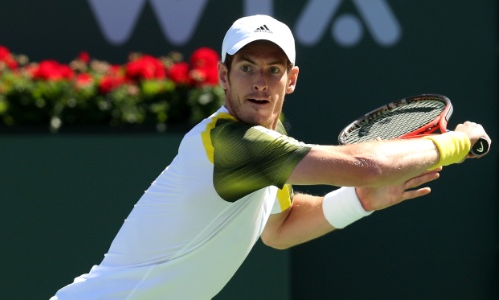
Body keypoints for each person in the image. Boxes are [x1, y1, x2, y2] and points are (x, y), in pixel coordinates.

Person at [51, 14, 490, 299]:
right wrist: (456, 143)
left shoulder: (268, 142)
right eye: (246, 68)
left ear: (291, 79)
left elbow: (278, 227)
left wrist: (363, 200)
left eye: (273, 70)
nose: (260, 82)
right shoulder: (233, 142)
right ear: (224, 76)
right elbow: (368, 165)